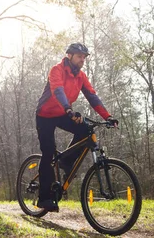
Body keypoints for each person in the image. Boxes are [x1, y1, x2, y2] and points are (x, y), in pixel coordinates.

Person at [35, 42, 118, 212]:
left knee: (85, 129)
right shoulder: (56, 70)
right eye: (80, 56)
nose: (82, 60)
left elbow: (92, 97)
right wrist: (68, 109)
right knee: (48, 151)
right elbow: (58, 91)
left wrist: (107, 116)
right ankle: (44, 198)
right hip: (45, 115)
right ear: (70, 55)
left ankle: (66, 160)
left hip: (63, 113)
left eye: (84, 57)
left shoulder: (81, 76)